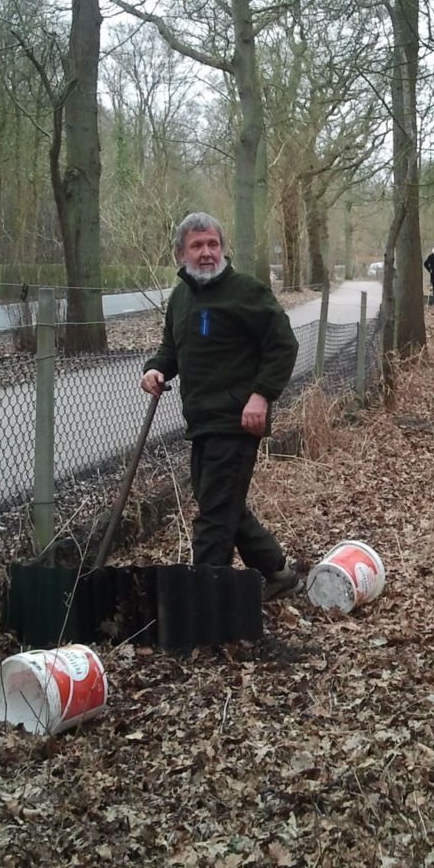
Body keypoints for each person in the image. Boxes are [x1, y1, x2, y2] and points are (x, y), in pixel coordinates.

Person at [141, 211, 302, 601]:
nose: (207, 252)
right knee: (224, 504)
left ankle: (206, 603)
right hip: (201, 423)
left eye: (213, 244)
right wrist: (156, 369)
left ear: (223, 248)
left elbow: (283, 345)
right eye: (198, 246)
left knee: (213, 517)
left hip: (237, 422)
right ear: (181, 253)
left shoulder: (245, 291)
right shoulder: (181, 297)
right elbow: (172, 348)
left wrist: (260, 395)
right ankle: (279, 573)